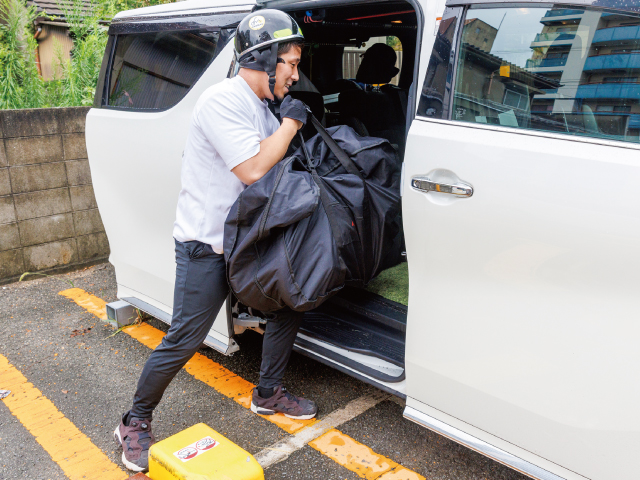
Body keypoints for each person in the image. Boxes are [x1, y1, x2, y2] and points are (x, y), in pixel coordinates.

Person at [113, 10, 317, 472]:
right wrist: (291, 124)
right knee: (186, 337)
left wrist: (284, 124)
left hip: (247, 242)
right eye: (290, 62)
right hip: (206, 245)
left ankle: (267, 393)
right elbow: (252, 169)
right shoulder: (221, 101)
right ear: (264, 58)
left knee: (290, 301)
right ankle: (134, 420)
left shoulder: (261, 107)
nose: (295, 73)